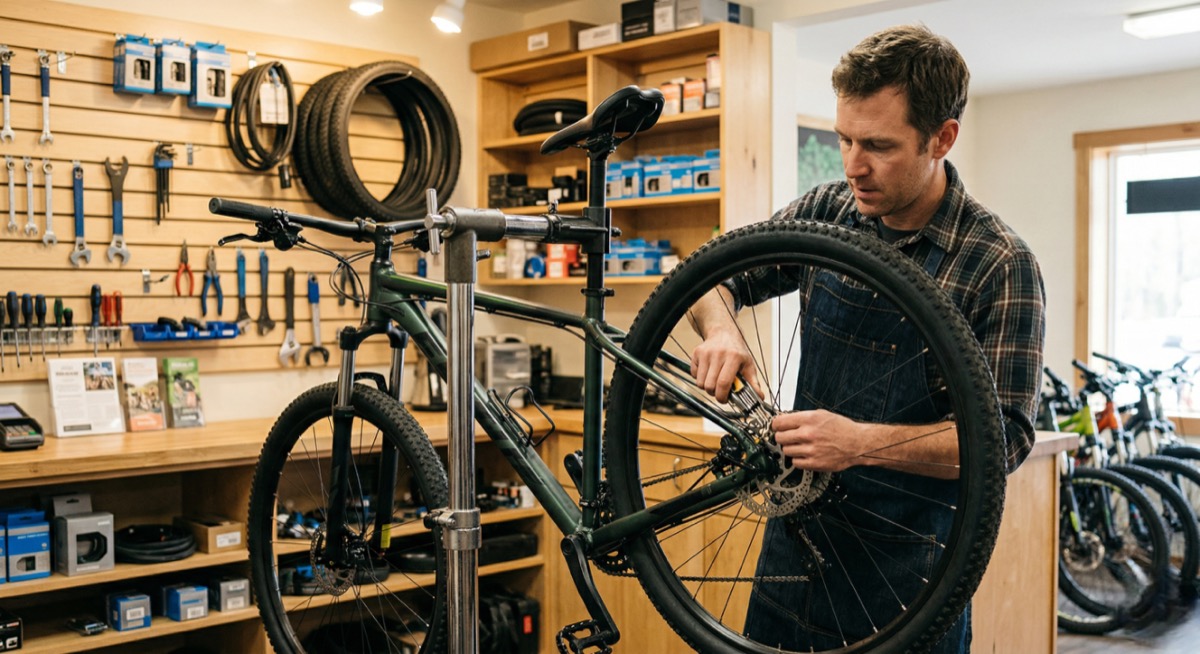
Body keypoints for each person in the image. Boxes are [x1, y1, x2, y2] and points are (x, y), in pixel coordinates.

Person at [687, 24, 1045, 651]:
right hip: (790, 561)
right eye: (844, 138)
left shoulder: (998, 263)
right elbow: (704, 278)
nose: (853, 165)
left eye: (878, 145)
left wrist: (859, 444)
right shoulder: (827, 213)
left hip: (910, 587)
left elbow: (1006, 441)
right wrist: (721, 330)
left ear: (943, 138)